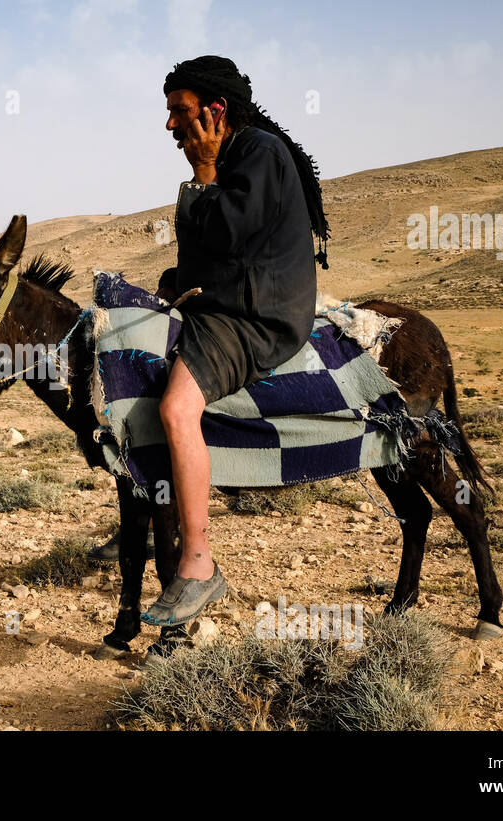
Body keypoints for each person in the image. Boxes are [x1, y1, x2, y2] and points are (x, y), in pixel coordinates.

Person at [132, 55, 331, 627]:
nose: (171, 125)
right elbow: (199, 256)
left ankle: (198, 564)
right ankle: (143, 521)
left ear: (215, 111)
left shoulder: (258, 154)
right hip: (222, 301)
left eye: (180, 112)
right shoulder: (230, 157)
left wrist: (204, 174)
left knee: (175, 407)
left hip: (258, 315)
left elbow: (225, 233)